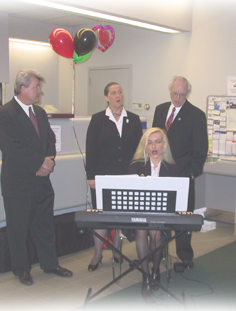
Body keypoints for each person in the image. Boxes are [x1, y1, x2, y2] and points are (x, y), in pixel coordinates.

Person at [0, 69, 73, 286]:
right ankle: (21, 269)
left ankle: (50, 264)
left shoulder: (39, 112)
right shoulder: (4, 114)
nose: (39, 91)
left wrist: (48, 160)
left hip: (42, 181)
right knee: (18, 229)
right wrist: (39, 164)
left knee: (45, 226)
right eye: (36, 87)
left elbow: (50, 138)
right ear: (23, 89)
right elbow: (11, 147)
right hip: (18, 182)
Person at [152, 76, 208, 270]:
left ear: (187, 93)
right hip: (159, 173)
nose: (178, 99)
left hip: (183, 174)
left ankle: (185, 256)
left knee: (183, 218)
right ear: (170, 92)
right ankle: (157, 252)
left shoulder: (196, 115)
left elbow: (200, 149)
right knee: (160, 216)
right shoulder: (160, 110)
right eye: (175, 94)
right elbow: (154, 141)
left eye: (182, 95)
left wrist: (192, 173)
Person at [86, 82, 143, 271]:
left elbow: (139, 150)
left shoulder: (133, 119)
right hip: (103, 177)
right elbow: (91, 149)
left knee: (123, 215)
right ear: (106, 97)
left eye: (120, 92)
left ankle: (117, 250)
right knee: (101, 216)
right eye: (113, 92)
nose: (118, 95)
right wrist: (91, 176)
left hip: (127, 176)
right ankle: (97, 254)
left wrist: (139, 173)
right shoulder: (97, 119)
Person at [129, 127, 178, 298]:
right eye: (150, 143)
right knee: (141, 230)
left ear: (164, 145)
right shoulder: (136, 166)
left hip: (162, 214)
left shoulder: (172, 168)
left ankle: (155, 270)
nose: (154, 146)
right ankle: (146, 276)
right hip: (140, 211)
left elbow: (176, 199)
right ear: (145, 146)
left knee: (156, 232)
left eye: (158, 141)